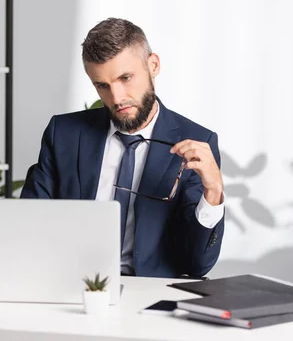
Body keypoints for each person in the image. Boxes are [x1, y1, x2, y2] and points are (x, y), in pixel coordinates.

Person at [20, 18, 224, 278]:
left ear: (153, 65)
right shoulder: (64, 134)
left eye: (125, 78)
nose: (117, 98)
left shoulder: (196, 141)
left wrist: (214, 192)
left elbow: (197, 265)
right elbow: (29, 226)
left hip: (148, 297)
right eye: (102, 86)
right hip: (69, 284)